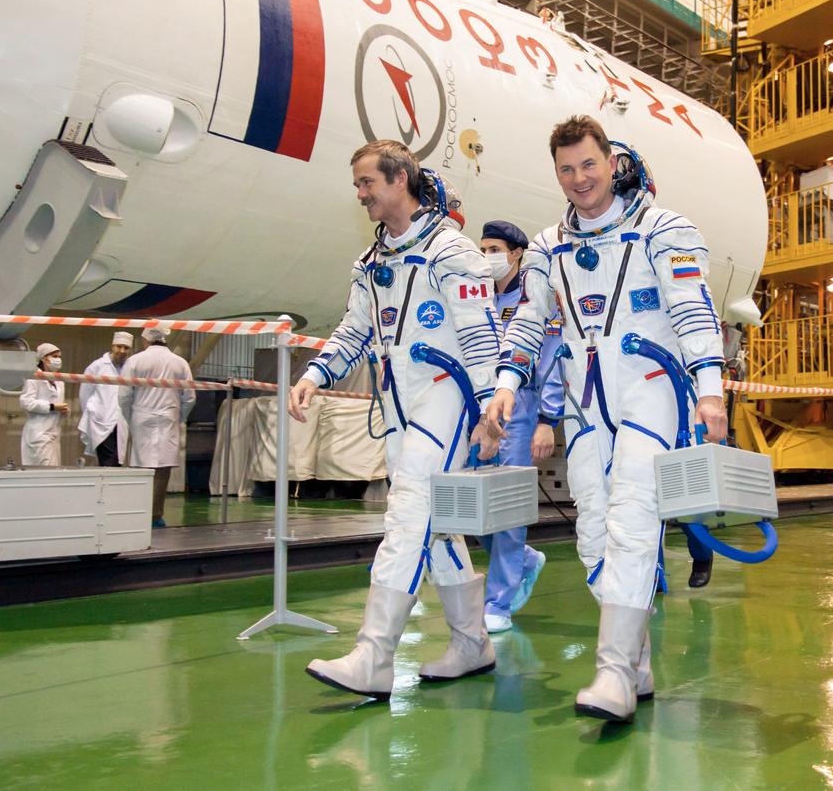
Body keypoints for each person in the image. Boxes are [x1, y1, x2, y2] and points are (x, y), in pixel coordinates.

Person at [484, 115, 728, 723]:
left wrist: (710, 389)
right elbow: (527, 321)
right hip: (587, 406)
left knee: (632, 521)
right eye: (566, 169)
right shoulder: (546, 248)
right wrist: (507, 383)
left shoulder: (662, 229)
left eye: (588, 164)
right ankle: (636, 662)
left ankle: (613, 672)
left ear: (612, 162)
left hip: (652, 394)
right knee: (594, 537)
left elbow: (694, 312)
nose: (578, 178)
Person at [296, 140, 500, 699]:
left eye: (368, 183)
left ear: (401, 179)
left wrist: (489, 409)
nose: (360, 194)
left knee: (409, 513)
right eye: (358, 185)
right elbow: (355, 330)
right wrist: (315, 375)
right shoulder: (372, 262)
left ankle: (374, 655)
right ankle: (471, 643)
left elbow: (483, 339)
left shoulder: (452, 253)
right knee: (434, 532)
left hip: (446, 400)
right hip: (398, 406)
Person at [476, 219, 559, 633]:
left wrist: (547, 418)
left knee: (506, 508)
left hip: (522, 407)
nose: (487, 256)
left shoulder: (535, 299)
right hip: (478, 410)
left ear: (516, 254)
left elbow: (551, 360)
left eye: (494, 249)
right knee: (474, 506)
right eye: (483, 248)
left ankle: (498, 602)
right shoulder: (475, 298)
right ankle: (525, 559)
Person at [119, 327, 196, 528]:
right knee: (162, 468)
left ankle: (138, 513)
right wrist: (178, 418)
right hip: (169, 416)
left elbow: (124, 395)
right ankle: (155, 516)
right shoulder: (180, 363)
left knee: (140, 466)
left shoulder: (135, 361)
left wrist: (130, 417)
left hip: (141, 416)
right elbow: (189, 397)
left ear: (145, 341)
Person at [79, 331, 132, 466]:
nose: (122, 351)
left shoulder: (129, 367)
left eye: (126, 348)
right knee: (108, 461)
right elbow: (84, 395)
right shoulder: (97, 366)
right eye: (119, 346)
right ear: (112, 346)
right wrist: (93, 413)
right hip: (100, 421)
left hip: (120, 421)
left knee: (117, 460)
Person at [19, 342, 67, 466]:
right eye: (55, 356)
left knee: (53, 470)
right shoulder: (34, 377)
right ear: (44, 358)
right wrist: (51, 406)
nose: (58, 360)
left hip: (54, 432)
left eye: (59, 357)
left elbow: (58, 405)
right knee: (45, 470)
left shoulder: (59, 381)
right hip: (39, 432)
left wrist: (64, 411)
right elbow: (26, 402)